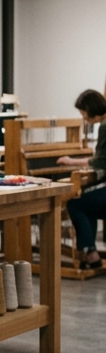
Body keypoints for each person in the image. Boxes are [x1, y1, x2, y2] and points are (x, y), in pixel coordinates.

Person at [58, 89, 106, 268]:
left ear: (91, 109)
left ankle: (90, 254)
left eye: (84, 113)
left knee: (76, 204)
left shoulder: (105, 126)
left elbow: (100, 162)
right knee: (88, 204)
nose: (84, 118)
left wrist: (70, 161)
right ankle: (90, 254)